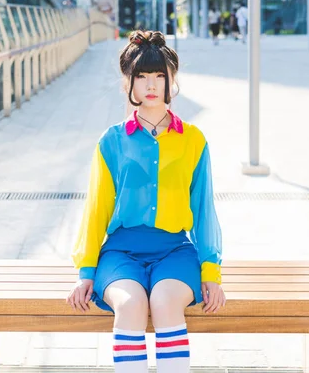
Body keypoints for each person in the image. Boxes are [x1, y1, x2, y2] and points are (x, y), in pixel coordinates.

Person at [67, 30, 225, 373]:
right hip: (121, 252)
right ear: (130, 83)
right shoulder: (111, 141)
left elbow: (203, 210)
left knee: (166, 302)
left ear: (172, 81)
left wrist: (211, 270)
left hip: (175, 250)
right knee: (130, 303)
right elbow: (97, 208)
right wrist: (86, 271)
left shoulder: (194, 141)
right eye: (142, 77)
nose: (151, 85)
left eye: (159, 76)